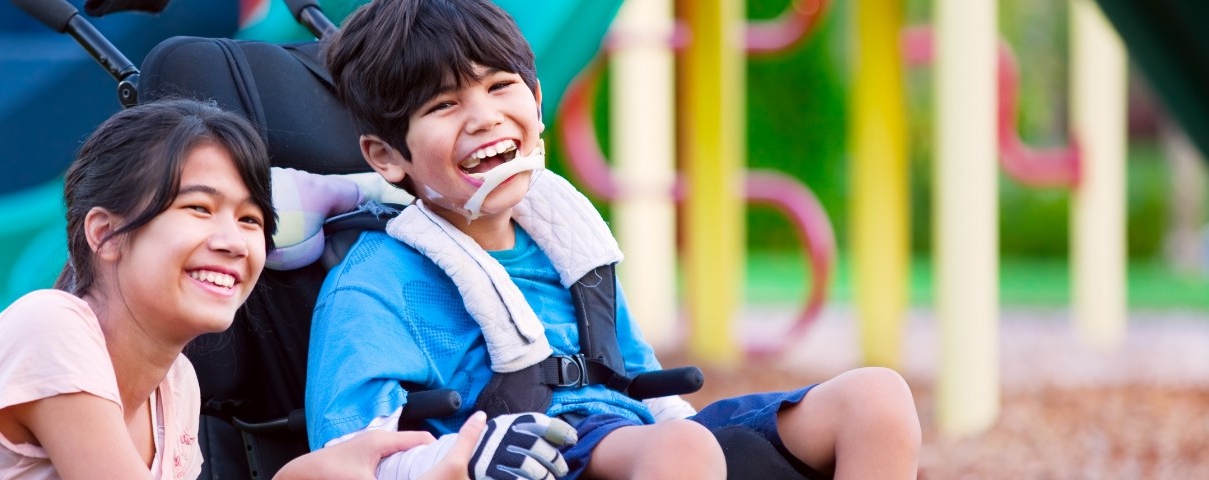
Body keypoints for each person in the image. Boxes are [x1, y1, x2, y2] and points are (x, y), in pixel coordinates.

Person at [304, 0, 923, 479]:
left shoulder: (565, 240)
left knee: (876, 398)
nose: (484, 116)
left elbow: (639, 380)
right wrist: (461, 455)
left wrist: (689, 438)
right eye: (443, 104)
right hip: (531, 454)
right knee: (682, 447)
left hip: (639, 439)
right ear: (387, 156)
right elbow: (348, 450)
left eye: (499, 86)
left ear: (537, 98)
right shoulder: (377, 280)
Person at [0, 99, 492, 479]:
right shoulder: (49, 328)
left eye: (249, 219)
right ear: (107, 235)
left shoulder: (175, 387)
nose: (234, 241)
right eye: (198, 208)